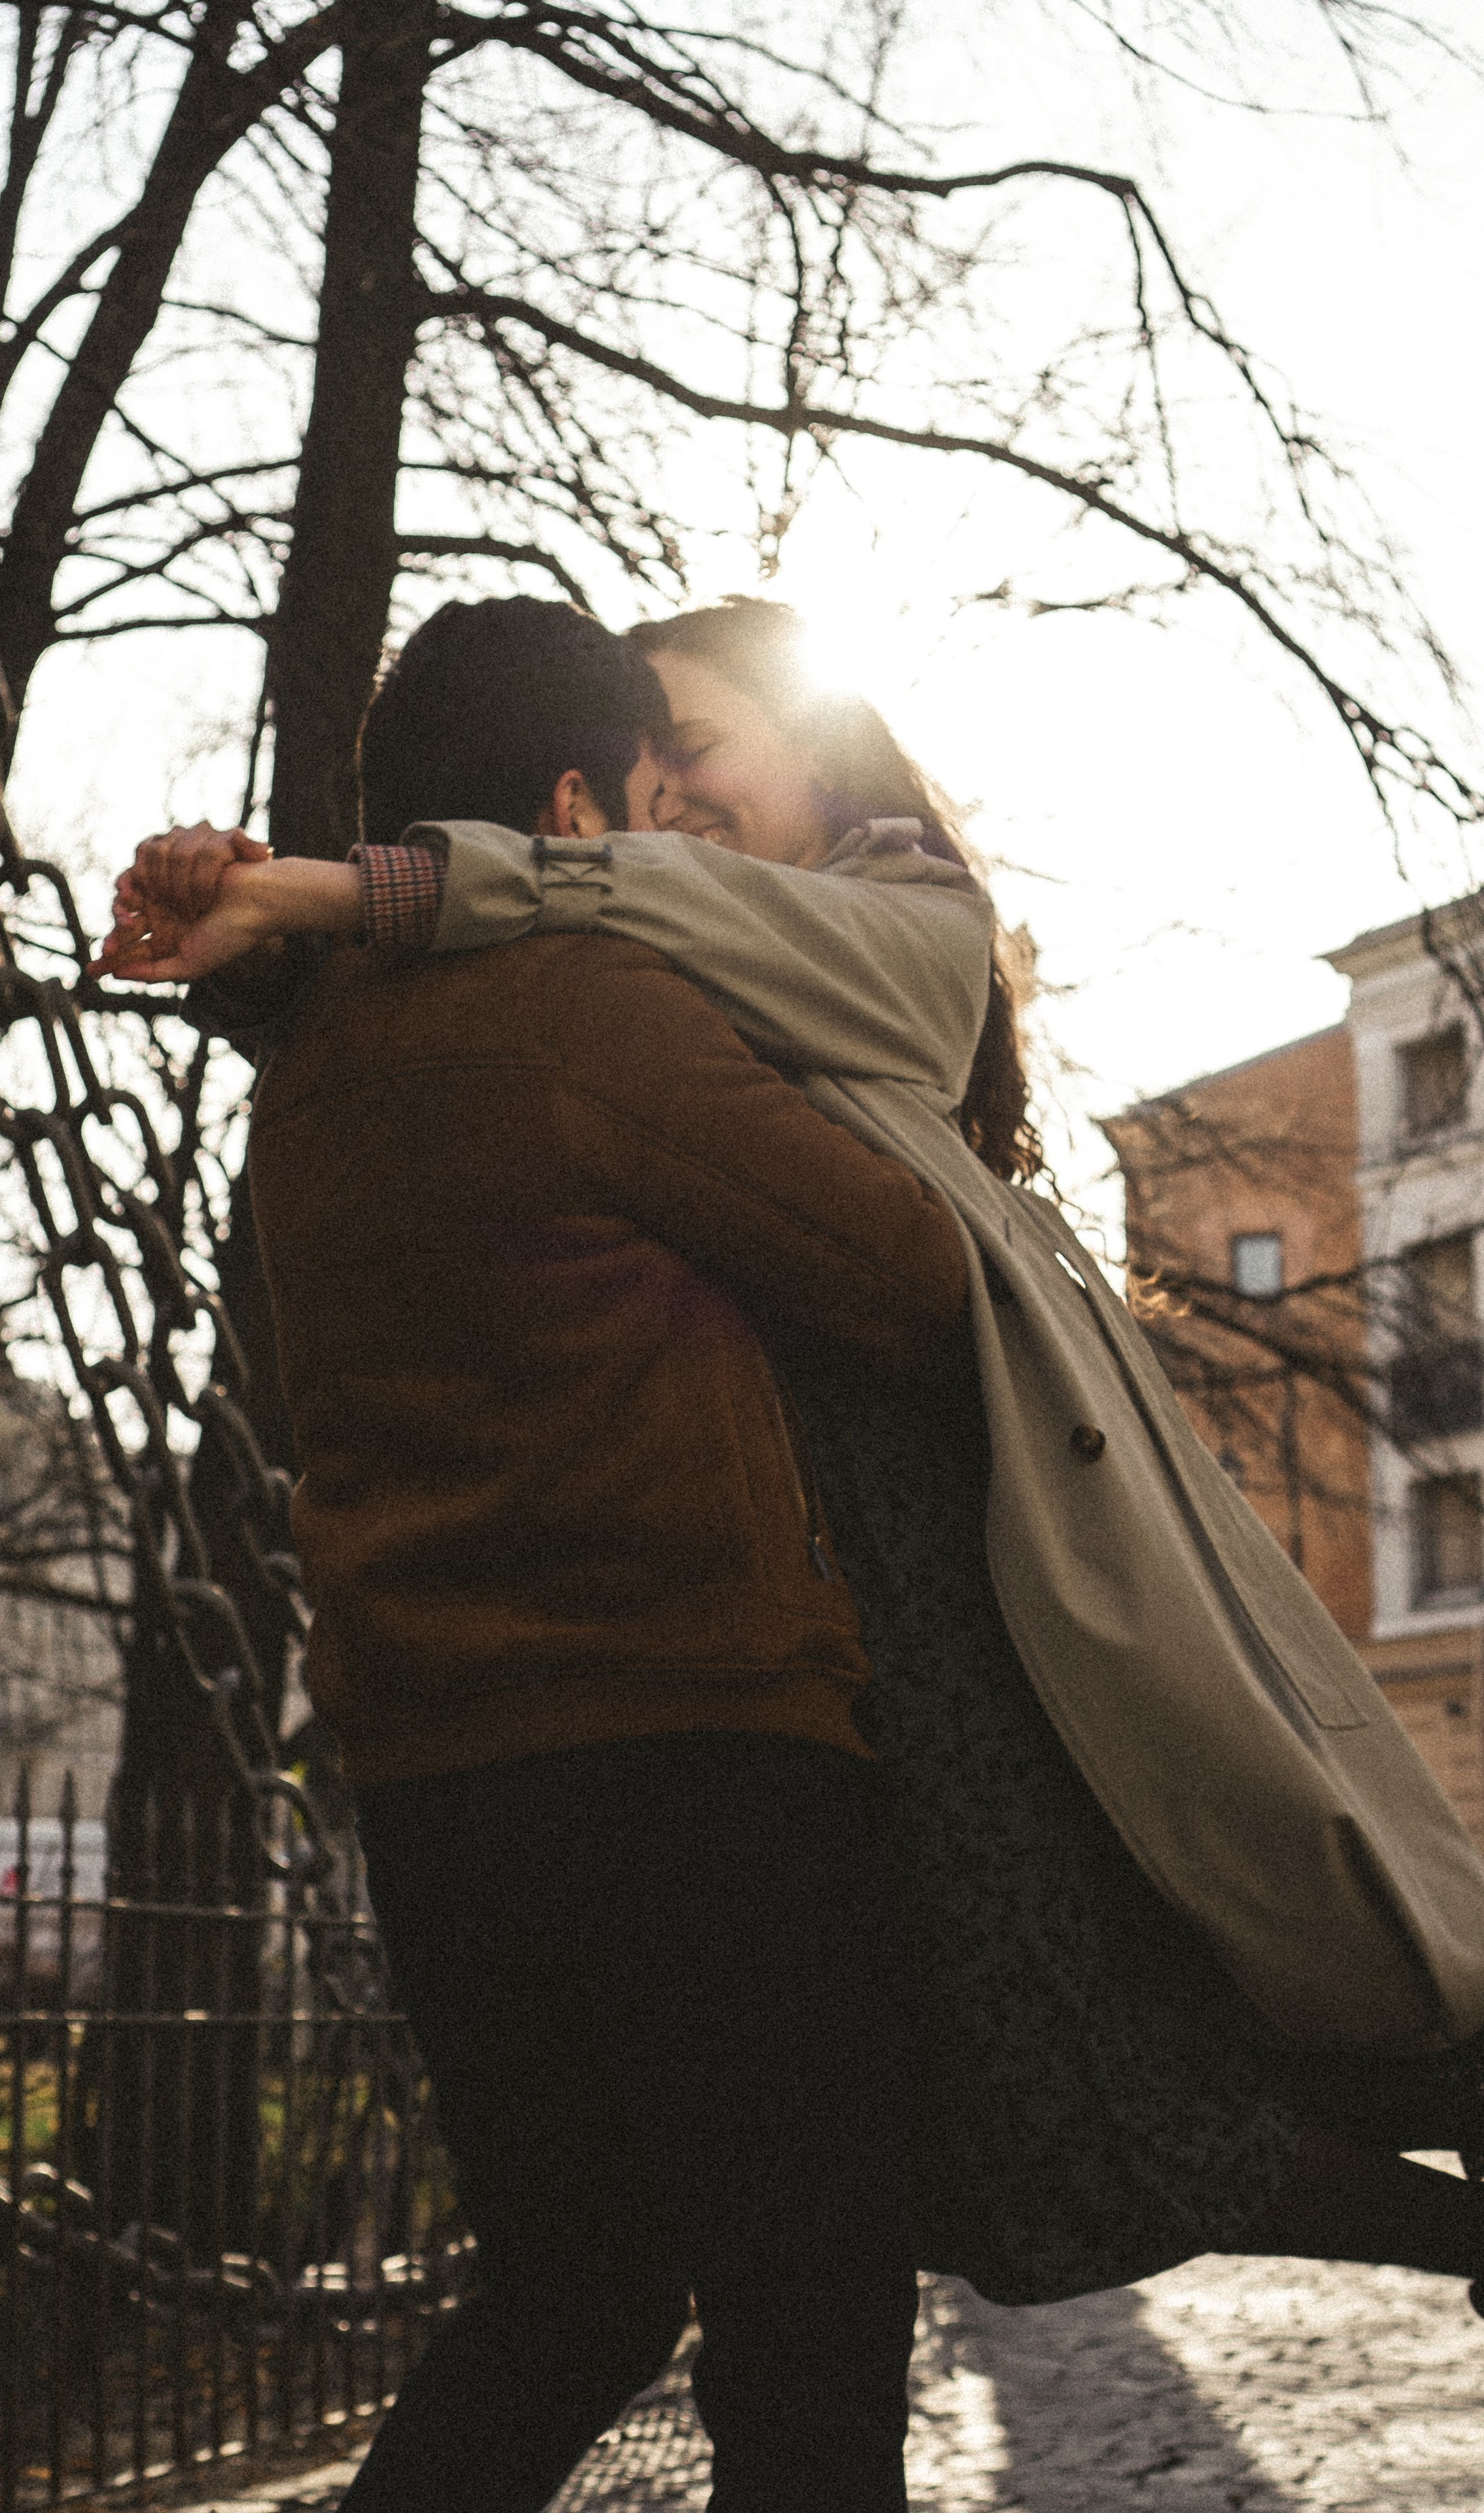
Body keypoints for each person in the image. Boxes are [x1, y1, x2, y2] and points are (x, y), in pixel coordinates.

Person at [101, 600, 1484, 2331]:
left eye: (701, 752)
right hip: (819, 1620)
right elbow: (510, 1026)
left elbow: (584, 915)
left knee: (1165, 2031)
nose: (664, 797)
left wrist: (336, 892)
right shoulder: (629, 945)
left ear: (813, 759)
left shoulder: (898, 918)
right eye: (638, 764)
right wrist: (274, 953)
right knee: (1049, 2090)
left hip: (976, 1583)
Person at [102, 596, 978, 2512]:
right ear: (569, 804)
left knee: (573, 2288)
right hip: (701, 1755)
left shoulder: (311, 1073)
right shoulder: (591, 1012)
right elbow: (915, 1284)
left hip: (435, 1784)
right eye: (641, 793)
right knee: (806, 2323)